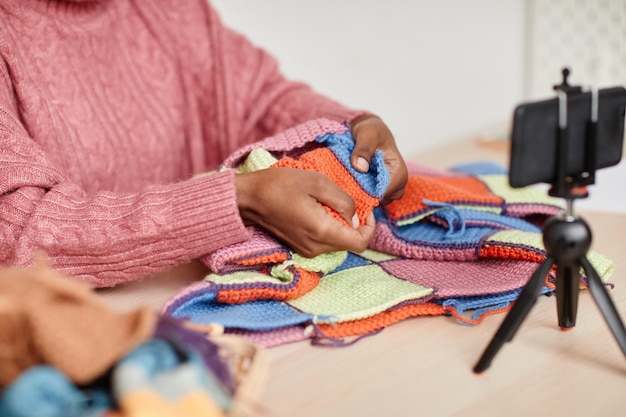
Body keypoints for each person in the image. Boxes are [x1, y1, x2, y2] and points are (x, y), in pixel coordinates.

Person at [0, 0, 408, 287]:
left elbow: (258, 99)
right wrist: (238, 199)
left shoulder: (172, 8)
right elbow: (18, 228)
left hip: (198, 306)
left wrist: (351, 127)